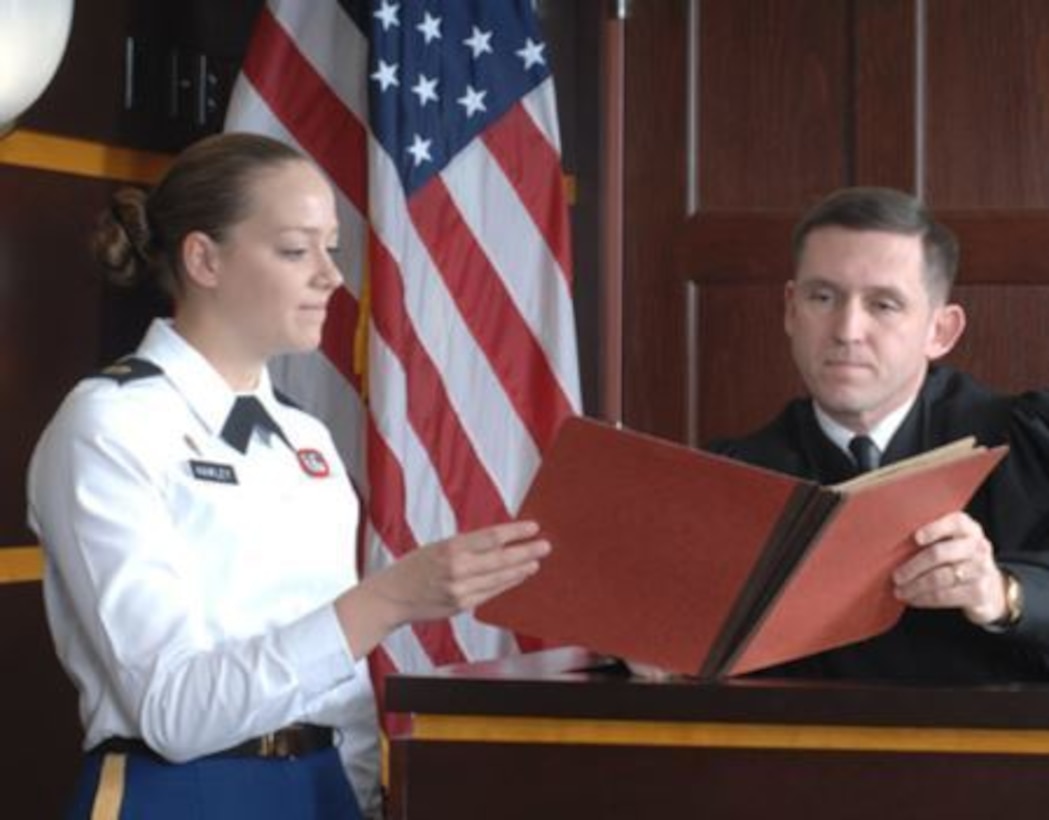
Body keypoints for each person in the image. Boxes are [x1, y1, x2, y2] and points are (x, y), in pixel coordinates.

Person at [26, 132, 550, 820]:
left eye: (330, 248)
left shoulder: (306, 439)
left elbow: (337, 691)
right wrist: (389, 600)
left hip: (321, 787)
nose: (331, 275)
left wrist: (359, 793)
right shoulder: (109, 425)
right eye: (296, 249)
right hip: (181, 794)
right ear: (204, 259)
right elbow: (172, 712)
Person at [710, 186, 1049, 682]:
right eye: (823, 297)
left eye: (884, 305)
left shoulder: (1025, 446)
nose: (847, 329)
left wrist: (1003, 593)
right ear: (790, 309)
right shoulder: (733, 476)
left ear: (941, 331)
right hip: (797, 756)